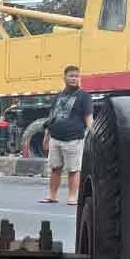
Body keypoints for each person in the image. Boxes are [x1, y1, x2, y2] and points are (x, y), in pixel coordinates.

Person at [40, 65, 93, 205]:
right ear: (64, 78)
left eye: (76, 76)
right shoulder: (58, 96)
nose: (74, 79)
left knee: (73, 169)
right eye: (71, 76)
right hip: (55, 137)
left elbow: (88, 117)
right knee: (55, 168)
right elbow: (51, 117)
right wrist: (46, 137)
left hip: (73, 138)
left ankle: (72, 197)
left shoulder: (84, 96)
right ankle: (52, 195)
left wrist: (93, 134)